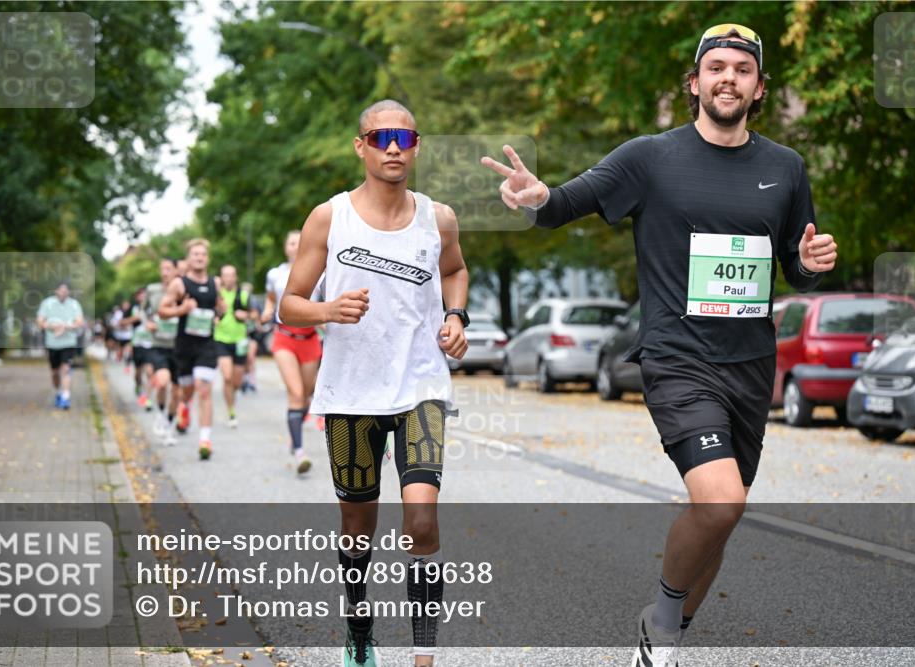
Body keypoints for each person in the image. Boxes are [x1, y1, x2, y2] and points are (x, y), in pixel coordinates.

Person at [482, 24, 838, 667]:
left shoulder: (785, 167)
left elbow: (795, 261)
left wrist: (814, 263)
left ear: (759, 88)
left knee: (722, 516)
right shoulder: (650, 156)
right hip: (678, 358)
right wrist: (537, 200)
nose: (728, 78)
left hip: (752, 365)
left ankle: (667, 627)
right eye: (716, 67)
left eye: (742, 70)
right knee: (722, 499)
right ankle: (665, 621)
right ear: (695, 82)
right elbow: (565, 203)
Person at [281, 99, 469, 667]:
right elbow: (289, 306)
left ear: (416, 148)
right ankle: (359, 627)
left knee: (421, 520)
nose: (394, 147)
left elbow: (455, 271)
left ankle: (424, 653)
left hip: (421, 389)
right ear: (360, 146)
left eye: (405, 139)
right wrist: (328, 309)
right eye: (382, 137)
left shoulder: (438, 219)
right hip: (353, 393)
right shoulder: (328, 218)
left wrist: (456, 317)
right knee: (357, 528)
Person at [158, 239, 226, 460]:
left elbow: (221, 308)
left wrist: (220, 313)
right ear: (188, 258)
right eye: (195, 254)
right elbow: (162, 311)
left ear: (207, 258)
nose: (199, 258)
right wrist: (183, 309)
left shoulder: (216, 283)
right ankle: (184, 407)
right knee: (185, 391)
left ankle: (205, 439)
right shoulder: (179, 284)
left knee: (203, 389)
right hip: (184, 346)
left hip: (206, 344)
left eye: (203, 254)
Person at [263, 231, 324, 474]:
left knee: (308, 393)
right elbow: (270, 299)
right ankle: (299, 453)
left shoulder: (320, 272)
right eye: (291, 242)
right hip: (285, 338)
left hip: (310, 338)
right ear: (285, 247)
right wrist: (267, 311)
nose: (296, 246)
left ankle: (295, 428)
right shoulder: (275, 274)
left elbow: (321, 304)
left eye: (300, 242)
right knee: (296, 394)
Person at [145, 258, 183, 445]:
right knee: (162, 382)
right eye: (162, 269)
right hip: (158, 344)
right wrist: (148, 322)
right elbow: (144, 311)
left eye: (169, 268)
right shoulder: (152, 290)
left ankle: (168, 425)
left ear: (176, 271)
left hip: (178, 346)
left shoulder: (182, 290)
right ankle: (160, 413)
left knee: (177, 392)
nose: (165, 272)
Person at [36, 281, 85, 410]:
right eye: (61, 290)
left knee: (66, 369)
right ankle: (59, 392)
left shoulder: (74, 304)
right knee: (55, 373)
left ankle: (65, 397)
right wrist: (52, 326)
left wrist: (65, 327)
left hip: (68, 343)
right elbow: (40, 321)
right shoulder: (47, 303)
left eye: (66, 290)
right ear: (56, 291)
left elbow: (79, 322)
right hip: (52, 344)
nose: (63, 292)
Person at [213, 265, 250, 428]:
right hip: (221, 339)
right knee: (227, 377)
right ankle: (231, 411)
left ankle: (231, 399)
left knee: (236, 382)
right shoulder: (216, 295)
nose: (228, 278)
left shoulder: (243, 294)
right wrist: (213, 319)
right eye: (225, 275)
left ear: (236, 277)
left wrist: (246, 315)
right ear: (221, 278)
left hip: (239, 341)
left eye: (231, 275)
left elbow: (254, 314)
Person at [130, 287, 154, 409]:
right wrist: (137, 317)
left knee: (150, 372)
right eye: (140, 295)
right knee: (138, 373)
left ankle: (147, 399)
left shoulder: (153, 307)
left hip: (150, 344)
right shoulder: (133, 308)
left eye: (145, 295)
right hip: (137, 344)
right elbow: (123, 322)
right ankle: (138, 385)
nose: (143, 297)